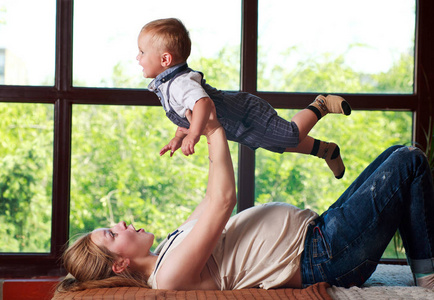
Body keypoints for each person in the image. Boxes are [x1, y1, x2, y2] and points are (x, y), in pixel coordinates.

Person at [55, 107, 434, 294]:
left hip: (320, 233)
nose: (120, 223)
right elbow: (223, 201)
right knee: (409, 162)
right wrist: (216, 127)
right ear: (119, 263)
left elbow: (209, 199)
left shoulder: (170, 248)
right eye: (110, 233)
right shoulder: (166, 278)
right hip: (326, 256)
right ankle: (428, 277)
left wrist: (201, 127)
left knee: (395, 153)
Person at [137, 18, 351, 179]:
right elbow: (188, 114)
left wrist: (193, 135)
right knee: (280, 144)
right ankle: (327, 151)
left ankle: (321, 104)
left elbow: (203, 104)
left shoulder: (180, 83)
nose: (138, 58)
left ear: (165, 59)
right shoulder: (168, 87)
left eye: (142, 52)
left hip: (247, 115)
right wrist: (179, 136)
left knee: (289, 136)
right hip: (240, 128)